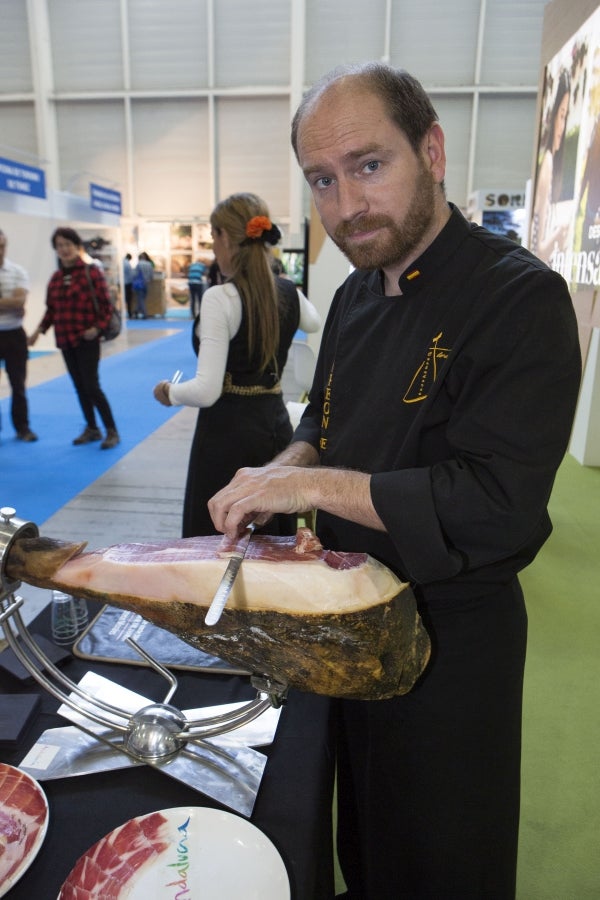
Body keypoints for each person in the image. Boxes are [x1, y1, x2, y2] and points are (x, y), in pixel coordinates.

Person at [207, 64, 582, 899]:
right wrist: (288, 464)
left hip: (452, 640)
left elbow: (496, 502)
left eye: (369, 166)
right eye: (323, 180)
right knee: (365, 835)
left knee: (442, 853)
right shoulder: (349, 297)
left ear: (433, 150)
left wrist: (312, 489)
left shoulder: (520, 298)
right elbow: (324, 423)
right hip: (346, 618)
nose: (346, 206)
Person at [153, 192, 321, 538]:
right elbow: (314, 322)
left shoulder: (221, 298)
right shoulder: (287, 292)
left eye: (213, 236)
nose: (213, 246)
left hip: (226, 437)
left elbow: (206, 389)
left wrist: (169, 392)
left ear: (226, 238)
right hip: (274, 429)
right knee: (273, 537)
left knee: (220, 536)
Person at [28, 226, 120, 449]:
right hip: (65, 339)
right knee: (79, 386)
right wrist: (37, 332)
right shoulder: (56, 278)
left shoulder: (91, 272)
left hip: (86, 340)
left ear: (77, 246)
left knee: (91, 385)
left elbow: (107, 307)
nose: (64, 249)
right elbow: (52, 310)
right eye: (60, 245)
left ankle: (111, 430)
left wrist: (97, 329)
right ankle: (92, 428)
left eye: (68, 244)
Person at [0, 229, 38, 442]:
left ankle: (23, 427)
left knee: (18, 385)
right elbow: (13, 302)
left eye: (2, 246)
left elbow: (19, 302)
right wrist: (10, 303)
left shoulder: (17, 271)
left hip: (14, 335)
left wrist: (14, 303)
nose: (0, 250)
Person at [531, 68, 572, 262]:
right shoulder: (546, 164)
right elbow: (539, 249)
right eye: (561, 115)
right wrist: (560, 232)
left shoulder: (551, 163)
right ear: (554, 114)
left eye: (566, 116)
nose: (563, 125)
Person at [132, 251, 154, 318]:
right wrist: (150, 280)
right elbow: (151, 274)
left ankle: (144, 313)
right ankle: (136, 311)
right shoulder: (149, 264)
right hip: (147, 283)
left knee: (140, 299)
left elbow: (135, 274)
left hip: (140, 284)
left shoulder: (139, 264)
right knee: (142, 299)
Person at [123, 253, 134, 318]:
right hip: (127, 283)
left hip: (125, 282)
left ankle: (129, 312)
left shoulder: (123, 262)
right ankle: (129, 313)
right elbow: (130, 274)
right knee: (128, 299)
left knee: (127, 299)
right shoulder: (127, 263)